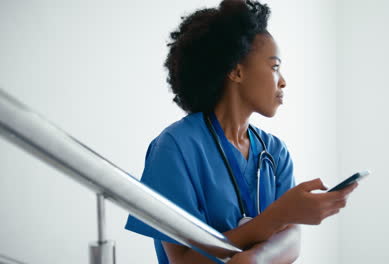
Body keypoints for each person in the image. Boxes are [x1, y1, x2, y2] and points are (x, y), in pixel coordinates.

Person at [125, 0, 358, 263]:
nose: (282, 80)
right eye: (274, 67)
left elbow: (292, 240)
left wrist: (254, 259)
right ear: (236, 71)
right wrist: (277, 217)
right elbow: (183, 259)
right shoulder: (175, 147)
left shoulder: (275, 151)